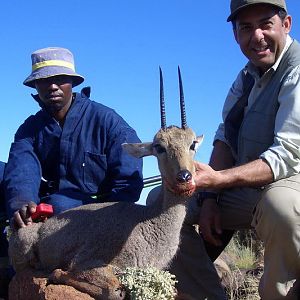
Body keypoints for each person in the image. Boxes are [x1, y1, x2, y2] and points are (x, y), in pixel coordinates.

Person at [148, 0, 300, 299]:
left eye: (265, 24)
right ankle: (207, 293)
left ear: (286, 24)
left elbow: (287, 154)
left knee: (281, 206)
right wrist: (208, 199)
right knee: (160, 200)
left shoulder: (296, 71)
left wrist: (218, 180)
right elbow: (225, 140)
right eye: (246, 27)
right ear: (235, 34)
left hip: (289, 183)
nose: (256, 35)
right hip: (247, 189)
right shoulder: (244, 78)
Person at [4, 47, 143, 229]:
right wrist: (22, 204)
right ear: (35, 86)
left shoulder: (108, 122)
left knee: (61, 203)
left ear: (72, 82)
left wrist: (110, 220)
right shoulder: (29, 129)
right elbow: (22, 169)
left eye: (59, 79)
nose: (52, 86)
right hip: (49, 198)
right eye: (44, 80)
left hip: (95, 209)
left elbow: (128, 180)